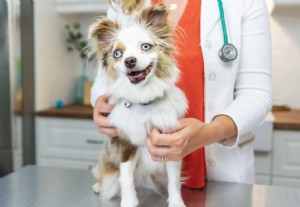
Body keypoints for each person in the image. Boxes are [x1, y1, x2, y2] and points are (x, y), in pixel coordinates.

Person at [90, 0, 272, 188]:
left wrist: (208, 133)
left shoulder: (245, 3)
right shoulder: (123, 4)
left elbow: (256, 94)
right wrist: (101, 104)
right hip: (143, 176)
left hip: (218, 171)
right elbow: (105, 79)